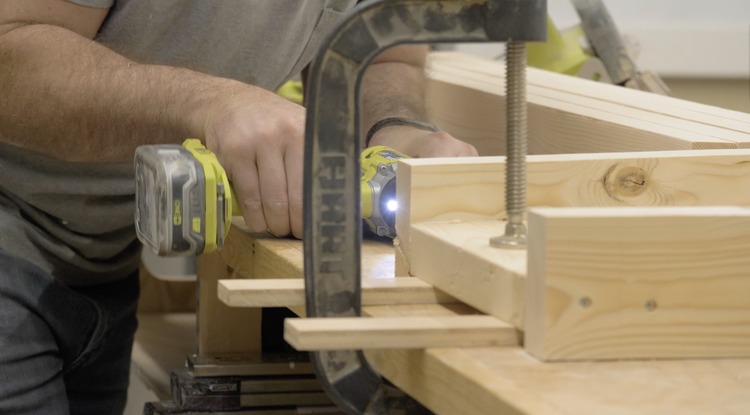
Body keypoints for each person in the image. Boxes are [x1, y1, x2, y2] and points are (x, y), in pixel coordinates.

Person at [0, 1, 478, 414]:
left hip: (104, 260)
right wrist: (215, 103)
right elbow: (9, 54)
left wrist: (393, 130)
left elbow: (380, 51)